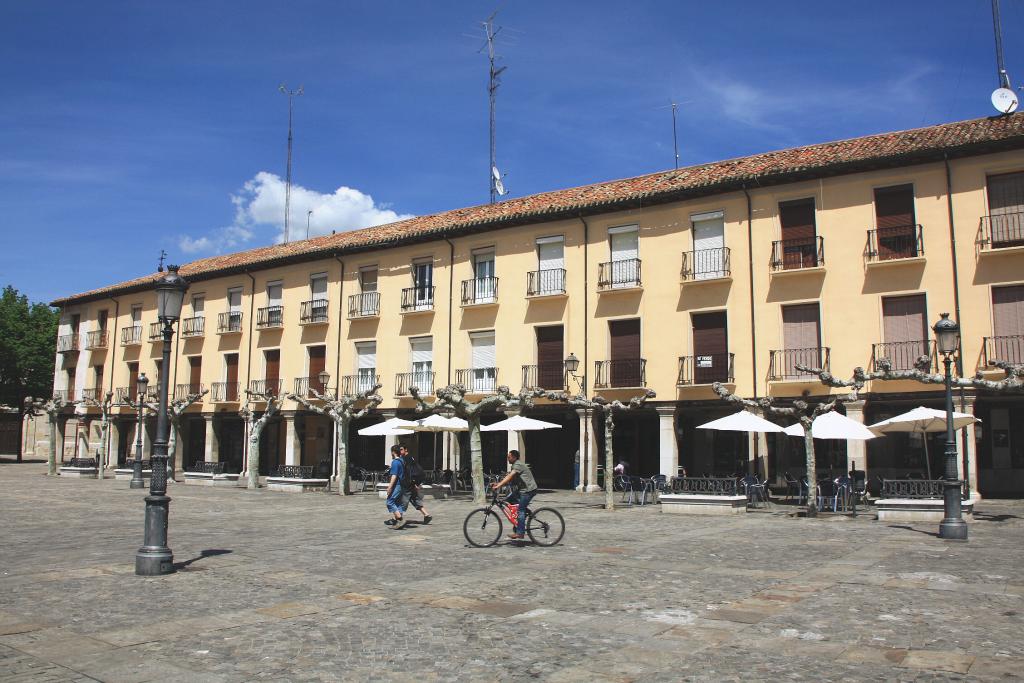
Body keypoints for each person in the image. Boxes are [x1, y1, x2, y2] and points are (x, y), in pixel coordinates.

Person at [491, 450, 537, 541]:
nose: (508, 458)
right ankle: (521, 518)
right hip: (521, 490)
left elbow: (509, 477)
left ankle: (520, 532)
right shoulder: (515, 465)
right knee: (508, 500)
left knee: (520, 510)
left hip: (528, 490)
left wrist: (499, 485)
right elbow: (509, 476)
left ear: (514, 457)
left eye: (509, 457)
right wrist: (497, 482)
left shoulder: (518, 465)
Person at [398, 444, 432, 525]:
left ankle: (398, 519)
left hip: (409, 483)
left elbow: (410, 472)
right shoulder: (411, 458)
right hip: (413, 483)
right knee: (415, 499)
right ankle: (426, 515)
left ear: (406, 450)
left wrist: (413, 482)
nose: (400, 451)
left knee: (403, 501)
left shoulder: (406, 458)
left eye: (401, 449)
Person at [384, 444, 408, 529]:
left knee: (389, 502)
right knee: (398, 503)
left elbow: (394, 476)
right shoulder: (402, 461)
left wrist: (390, 487)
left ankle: (400, 519)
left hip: (396, 485)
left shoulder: (395, 462)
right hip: (402, 485)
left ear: (393, 452)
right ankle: (399, 522)